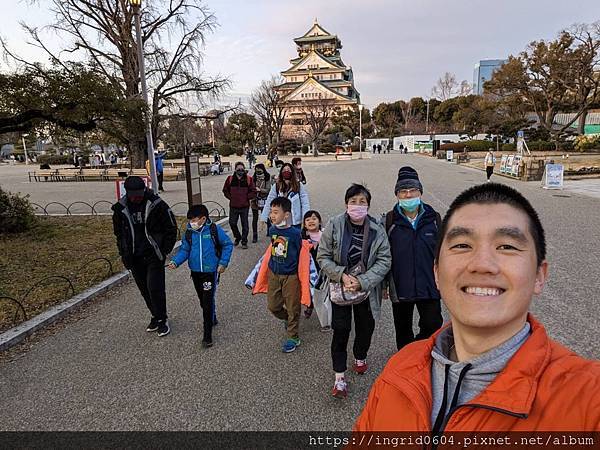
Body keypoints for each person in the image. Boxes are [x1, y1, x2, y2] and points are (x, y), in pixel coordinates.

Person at [355, 183, 600, 432]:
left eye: (507, 246)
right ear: (437, 272)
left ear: (539, 275)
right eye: (462, 245)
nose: (482, 264)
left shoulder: (586, 396)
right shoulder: (396, 373)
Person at [317, 184, 391, 399]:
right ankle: (339, 377)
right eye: (353, 201)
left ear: (368, 205)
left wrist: (363, 281)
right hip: (340, 287)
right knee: (341, 330)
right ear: (346, 203)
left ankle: (360, 355)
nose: (357, 206)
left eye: (362, 202)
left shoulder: (377, 228)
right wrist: (341, 275)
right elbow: (322, 256)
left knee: (366, 326)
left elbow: (384, 259)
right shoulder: (334, 224)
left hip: (366, 289)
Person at [383, 167, 443, 350]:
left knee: (433, 323)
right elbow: (383, 255)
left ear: (420, 192)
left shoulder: (434, 219)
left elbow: (444, 253)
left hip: (429, 283)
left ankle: (418, 350)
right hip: (401, 285)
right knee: (402, 329)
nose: (408, 195)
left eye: (413, 190)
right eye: (403, 191)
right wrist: (384, 284)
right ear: (397, 194)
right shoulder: (389, 221)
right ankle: (405, 362)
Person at [111, 176, 177, 337]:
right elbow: (119, 234)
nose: (137, 197)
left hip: (153, 254)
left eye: (139, 194)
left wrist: (164, 250)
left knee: (155, 288)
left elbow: (171, 227)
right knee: (144, 289)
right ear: (128, 193)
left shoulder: (156, 204)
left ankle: (162, 319)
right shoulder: (120, 209)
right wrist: (123, 252)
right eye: (133, 195)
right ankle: (155, 315)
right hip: (134, 256)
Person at [250, 197, 312, 353]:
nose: (272, 215)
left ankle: (293, 336)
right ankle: (287, 318)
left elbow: (302, 252)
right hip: (274, 274)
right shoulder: (272, 230)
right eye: (271, 212)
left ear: (286, 215)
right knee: (273, 306)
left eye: (276, 212)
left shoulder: (296, 233)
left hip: (291, 276)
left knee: (293, 307)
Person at [168, 204, 233, 348]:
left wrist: (223, 263)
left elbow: (227, 244)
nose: (192, 223)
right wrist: (176, 262)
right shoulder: (189, 233)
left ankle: (207, 335)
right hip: (196, 272)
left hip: (210, 272)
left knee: (208, 300)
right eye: (190, 220)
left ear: (203, 219)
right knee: (202, 300)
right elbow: (185, 249)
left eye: (194, 220)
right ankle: (212, 316)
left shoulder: (214, 230)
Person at [261, 163, 310, 229]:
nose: (286, 171)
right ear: (281, 172)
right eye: (284, 170)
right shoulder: (276, 186)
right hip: (281, 222)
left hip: (295, 223)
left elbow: (305, 204)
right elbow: (269, 202)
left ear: (292, 172)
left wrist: (305, 219)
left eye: (288, 170)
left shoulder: (299, 185)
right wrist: (264, 218)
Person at [222, 162, 256, 249]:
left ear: (244, 169)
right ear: (235, 169)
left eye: (242, 169)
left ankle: (244, 241)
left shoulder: (249, 179)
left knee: (245, 225)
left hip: (244, 206)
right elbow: (225, 190)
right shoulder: (230, 179)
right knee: (232, 223)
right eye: (238, 169)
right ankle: (238, 237)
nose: (240, 171)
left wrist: (246, 198)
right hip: (233, 205)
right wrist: (231, 198)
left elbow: (253, 191)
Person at [300, 210, 322, 322]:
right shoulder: (301, 238)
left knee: (321, 290)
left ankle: (323, 311)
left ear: (320, 221)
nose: (311, 221)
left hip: (322, 269)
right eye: (307, 220)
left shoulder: (325, 236)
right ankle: (310, 305)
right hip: (307, 269)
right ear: (304, 224)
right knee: (309, 288)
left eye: (314, 218)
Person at [250, 163, 273, 243]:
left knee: (266, 216)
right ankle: (255, 235)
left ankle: (269, 230)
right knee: (255, 218)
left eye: (259, 170)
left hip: (264, 200)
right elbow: (251, 188)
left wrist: (260, 190)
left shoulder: (267, 177)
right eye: (256, 171)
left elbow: (268, 189)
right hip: (255, 200)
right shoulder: (253, 178)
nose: (258, 172)